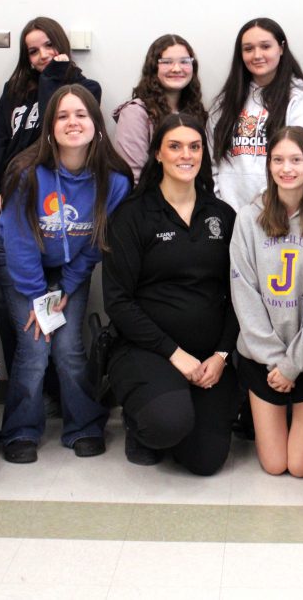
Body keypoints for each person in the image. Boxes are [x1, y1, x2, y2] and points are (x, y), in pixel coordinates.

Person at [0, 84, 131, 463]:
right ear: (50, 127)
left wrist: (67, 288)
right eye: (62, 116)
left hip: (72, 270)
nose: (72, 122)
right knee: (34, 348)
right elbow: (18, 241)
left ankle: (84, 425)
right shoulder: (27, 174)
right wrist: (41, 299)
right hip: (25, 270)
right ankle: (20, 430)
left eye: (81, 115)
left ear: (96, 124)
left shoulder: (115, 181)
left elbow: (97, 244)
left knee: (70, 347)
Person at [103, 113, 240, 475]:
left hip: (209, 357)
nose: (186, 154)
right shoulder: (133, 215)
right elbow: (118, 301)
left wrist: (222, 355)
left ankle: (179, 413)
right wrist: (174, 354)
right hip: (148, 350)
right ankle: (144, 421)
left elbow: (238, 294)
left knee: (206, 462)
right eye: (175, 146)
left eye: (194, 147)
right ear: (158, 154)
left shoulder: (223, 216)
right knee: (166, 424)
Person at [230, 126, 303, 477]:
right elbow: (244, 293)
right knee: (276, 466)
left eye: (296, 159)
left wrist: (294, 363)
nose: (286, 168)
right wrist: (277, 361)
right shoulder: (249, 218)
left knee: (301, 467)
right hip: (263, 359)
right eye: (278, 159)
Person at [0, 17, 102, 222]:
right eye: (33, 51)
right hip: (9, 189)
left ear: (61, 45)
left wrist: (51, 77)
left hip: (55, 196)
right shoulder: (14, 90)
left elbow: (50, 128)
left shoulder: (87, 90)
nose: (43, 55)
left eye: (49, 45)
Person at [208, 18, 303, 211]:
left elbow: (301, 162)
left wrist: (266, 208)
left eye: (265, 46)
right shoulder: (224, 103)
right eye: (249, 49)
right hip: (228, 216)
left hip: (278, 214)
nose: (257, 55)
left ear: (281, 48)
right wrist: (222, 208)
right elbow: (212, 161)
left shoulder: (298, 101)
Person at [113, 34, 208, 183]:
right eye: (167, 62)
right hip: (149, 203)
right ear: (153, 67)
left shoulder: (196, 111)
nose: (176, 69)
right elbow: (133, 178)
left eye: (184, 61)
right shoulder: (135, 114)